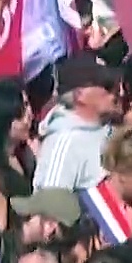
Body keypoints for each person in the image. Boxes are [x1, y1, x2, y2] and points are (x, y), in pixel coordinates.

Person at [34, 55, 122, 191]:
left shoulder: (109, 128)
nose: (117, 92)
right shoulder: (64, 144)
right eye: (107, 86)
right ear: (80, 95)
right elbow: (51, 202)